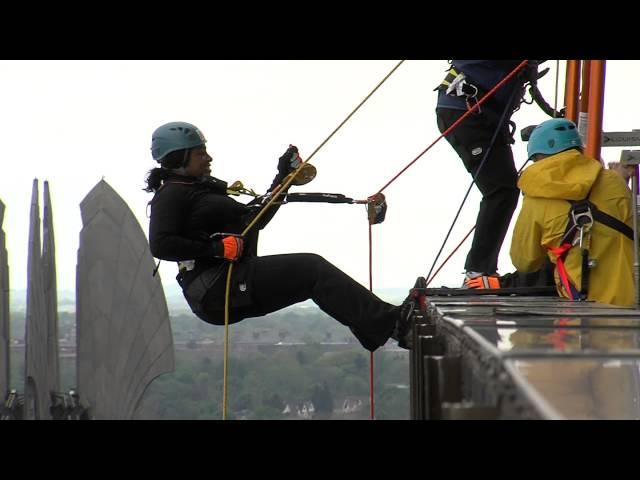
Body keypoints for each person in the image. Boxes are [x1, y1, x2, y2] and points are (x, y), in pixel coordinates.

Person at [145, 121, 413, 351]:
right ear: (179, 158)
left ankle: (380, 326)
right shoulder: (171, 194)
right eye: (200, 153)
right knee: (311, 268)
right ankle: (393, 325)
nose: (208, 158)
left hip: (225, 285)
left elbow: (255, 220)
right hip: (217, 289)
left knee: (310, 276)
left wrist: (283, 178)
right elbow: (161, 244)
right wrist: (215, 248)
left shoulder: (199, 190)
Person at [435, 60, 543, 287]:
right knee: (501, 190)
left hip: (479, 112)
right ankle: (478, 271)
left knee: (504, 190)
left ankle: (480, 270)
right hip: (469, 110)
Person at [510, 118, 634, 306]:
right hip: (631, 302)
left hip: (583, 308)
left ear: (538, 157)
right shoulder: (614, 182)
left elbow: (525, 261)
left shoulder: (536, 198)